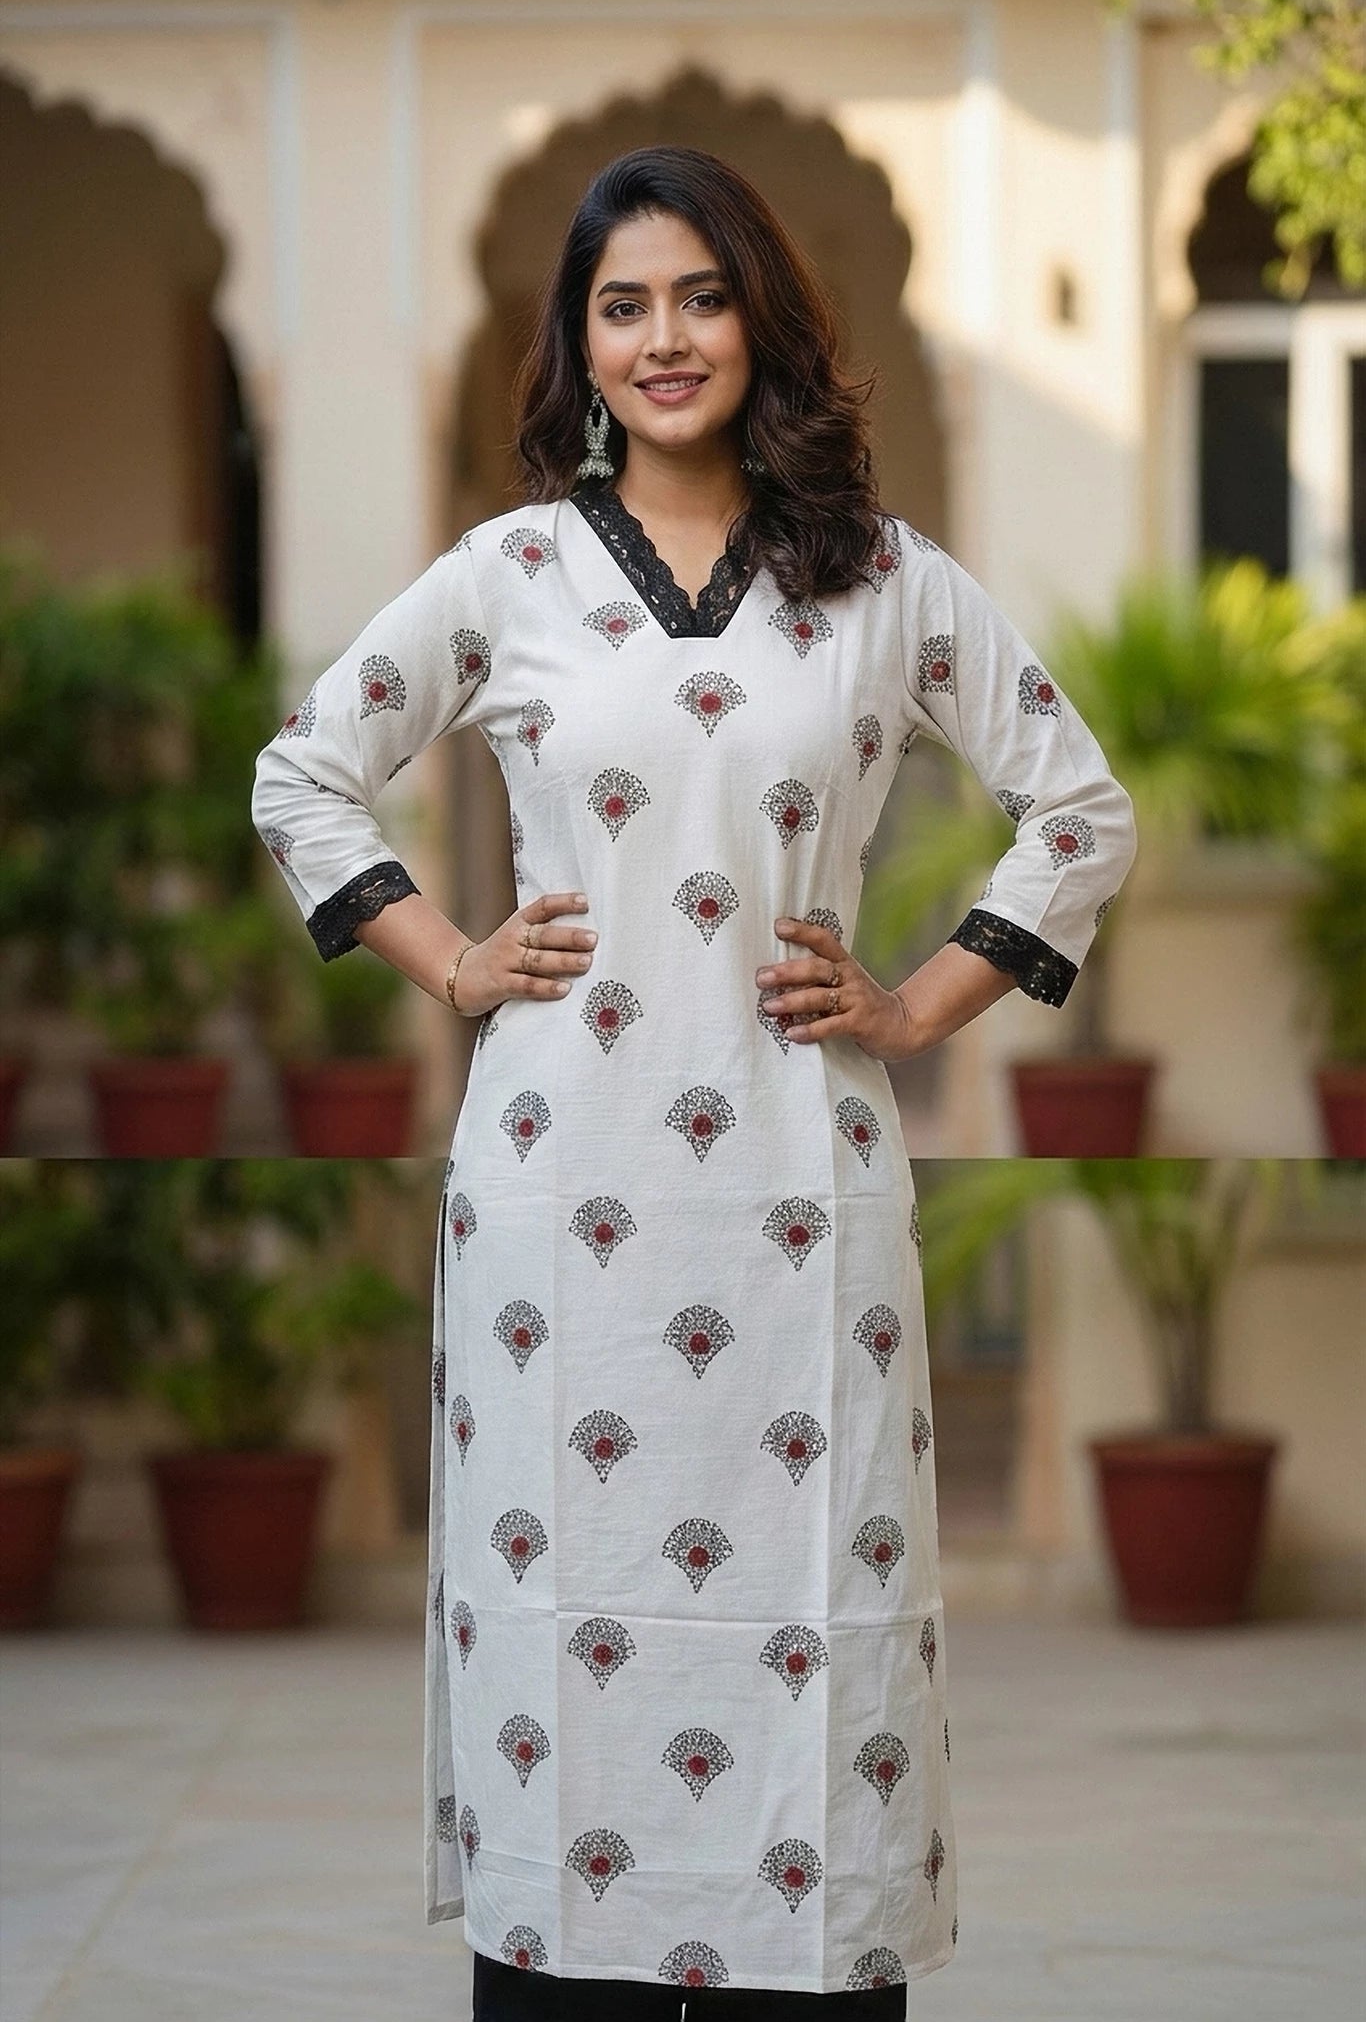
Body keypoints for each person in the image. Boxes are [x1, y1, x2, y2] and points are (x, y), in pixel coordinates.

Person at [252, 145, 1137, 2018]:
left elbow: (1078, 808)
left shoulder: (882, 579)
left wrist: (919, 1007)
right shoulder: (506, 574)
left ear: (761, 320)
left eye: (701, 296)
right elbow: (301, 775)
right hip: (555, 1199)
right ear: (577, 347)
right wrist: (453, 960)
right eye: (623, 306)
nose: (665, 339)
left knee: (824, 1651)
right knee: (555, 1642)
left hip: (802, 1200)